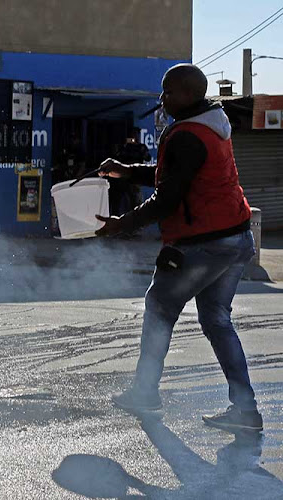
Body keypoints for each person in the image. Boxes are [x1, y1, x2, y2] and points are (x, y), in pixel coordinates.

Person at [95, 64, 262, 432]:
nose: (163, 98)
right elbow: (175, 172)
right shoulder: (209, 122)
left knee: (159, 307)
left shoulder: (189, 134)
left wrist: (123, 224)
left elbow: (168, 197)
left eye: (169, 92)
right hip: (236, 237)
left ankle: (144, 392)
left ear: (189, 94)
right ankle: (245, 411)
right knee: (217, 320)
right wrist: (128, 170)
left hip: (204, 241)